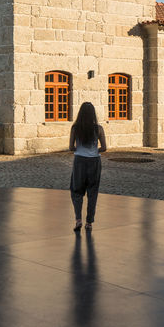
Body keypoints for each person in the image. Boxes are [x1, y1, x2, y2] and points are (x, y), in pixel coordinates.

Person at [68, 100, 107, 233]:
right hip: (94, 161)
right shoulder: (99, 129)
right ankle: (89, 222)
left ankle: (78, 219)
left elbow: (70, 147)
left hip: (79, 160)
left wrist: (78, 149)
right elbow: (104, 148)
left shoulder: (75, 128)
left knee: (76, 191)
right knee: (92, 192)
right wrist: (95, 151)